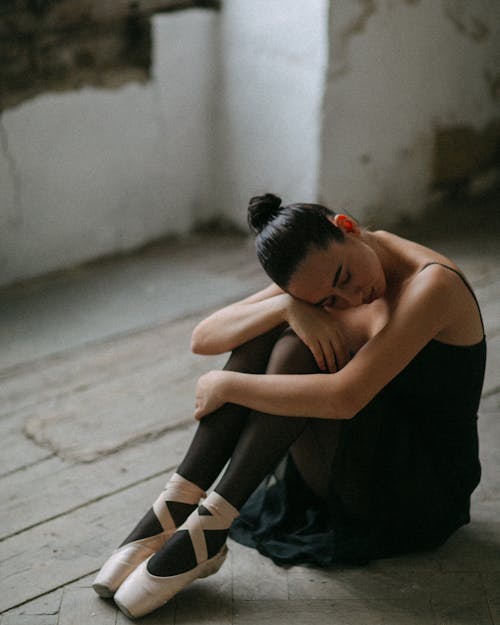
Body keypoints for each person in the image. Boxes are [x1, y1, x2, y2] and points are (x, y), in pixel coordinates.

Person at [93, 193, 486, 619]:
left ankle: (206, 526)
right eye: (330, 300)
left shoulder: (433, 285)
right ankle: (180, 506)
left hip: (413, 491)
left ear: (346, 227)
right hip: (349, 463)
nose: (351, 297)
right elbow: (203, 337)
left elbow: (345, 397)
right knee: (270, 330)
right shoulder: (318, 274)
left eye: (344, 276)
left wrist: (227, 384)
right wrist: (286, 304)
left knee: (295, 349)